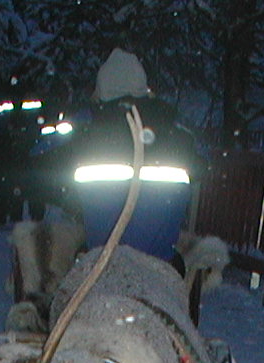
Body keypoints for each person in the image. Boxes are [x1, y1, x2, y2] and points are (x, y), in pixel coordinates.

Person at [65, 48, 201, 268]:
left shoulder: (84, 140)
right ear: (144, 90)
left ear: (101, 92)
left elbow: (68, 198)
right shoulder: (180, 139)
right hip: (159, 265)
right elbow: (202, 169)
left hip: (101, 264)